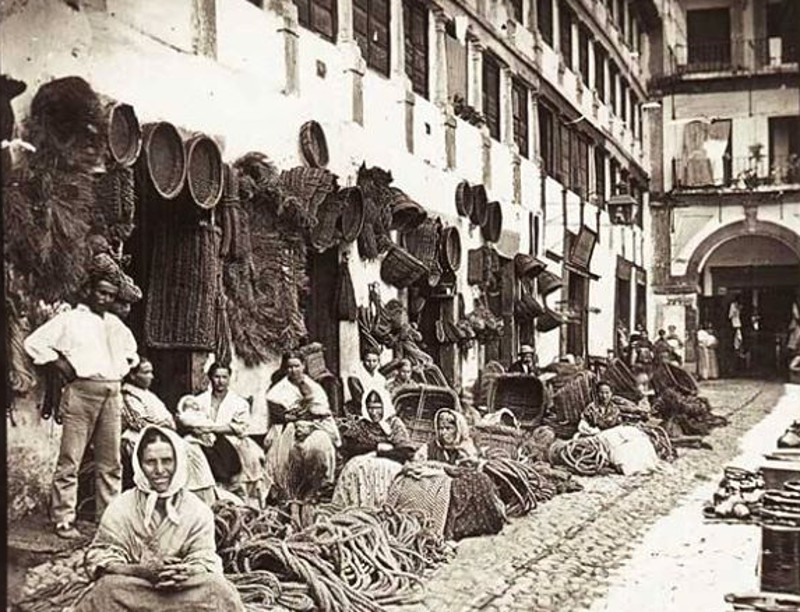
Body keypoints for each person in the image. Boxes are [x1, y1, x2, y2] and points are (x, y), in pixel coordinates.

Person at [24, 255, 138, 538]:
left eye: (111, 295)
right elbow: (33, 343)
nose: (105, 298)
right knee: (70, 458)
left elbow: (132, 353)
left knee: (110, 461)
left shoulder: (114, 324)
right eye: (101, 292)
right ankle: (63, 519)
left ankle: (107, 521)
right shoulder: (70, 320)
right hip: (82, 392)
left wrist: (122, 368)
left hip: (112, 394)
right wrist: (59, 362)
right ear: (89, 290)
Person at [74, 426, 244, 612]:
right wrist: (142, 571)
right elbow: (99, 557)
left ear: (178, 462)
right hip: (136, 588)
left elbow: (203, 557)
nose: (160, 470)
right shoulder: (122, 506)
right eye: (150, 462)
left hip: (181, 591)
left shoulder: (197, 509)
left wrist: (185, 571)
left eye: (167, 461)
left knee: (218, 589)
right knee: (106, 589)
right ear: (139, 464)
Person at [386, 409, 505, 541]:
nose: (443, 433)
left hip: (456, 483)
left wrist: (452, 470)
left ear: (458, 429)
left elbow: (470, 469)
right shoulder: (430, 447)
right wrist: (433, 469)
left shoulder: (466, 447)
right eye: (441, 428)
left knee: (478, 481)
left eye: (448, 428)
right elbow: (415, 464)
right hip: (436, 484)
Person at [122, 360, 222, 506]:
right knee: (183, 450)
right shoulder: (128, 395)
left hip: (160, 433)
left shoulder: (147, 394)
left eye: (151, 372)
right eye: (146, 372)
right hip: (140, 437)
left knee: (193, 449)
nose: (151, 376)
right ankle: (189, 497)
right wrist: (163, 424)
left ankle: (201, 495)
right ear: (132, 375)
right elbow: (139, 422)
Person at [179, 363, 265, 503]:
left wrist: (213, 429)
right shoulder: (199, 400)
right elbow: (192, 420)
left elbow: (240, 428)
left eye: (224, 377)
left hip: (233, 442)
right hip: (204, 439)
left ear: (229, 378)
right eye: (217, 376)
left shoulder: (239, 402)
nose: (220, 381)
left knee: (241, 471)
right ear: (210, 378)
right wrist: (198, 430)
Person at [264, 351, 341, 501]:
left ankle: (318, 487)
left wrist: (310, 424)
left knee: (320, 444)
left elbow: (323, 412)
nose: (294, 370)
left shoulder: (315, 387)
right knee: (285, 452)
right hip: (287, 428)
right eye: (290, 367)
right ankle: (287, 491)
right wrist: (297, 418)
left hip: (315, 426)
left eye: (297, 366)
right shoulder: (277, 391)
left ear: (304, 366)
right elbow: (279, 416)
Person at [332, 388, 415, 508]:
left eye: (378, 408)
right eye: (370, 408)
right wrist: (376, 448)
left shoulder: (393, 424)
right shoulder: (362, 424)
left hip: (390, 466)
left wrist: (383, 453)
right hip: (363, 467)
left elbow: (406, 452)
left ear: (385, 406)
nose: (374, 412)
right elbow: (349, 448)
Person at [577, 382, 660, 475]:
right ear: (597, 394)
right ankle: (628, 468)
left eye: (607, 393)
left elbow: (618, 424)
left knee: (638, 441)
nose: (604, 396)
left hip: (613, 435)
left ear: (611, 393)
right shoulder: (591, 408)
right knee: (619, 451)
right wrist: (593, 431)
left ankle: (645, 465)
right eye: (601, 393)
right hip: (600, 436)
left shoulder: (614, 408)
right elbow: (582, 425)